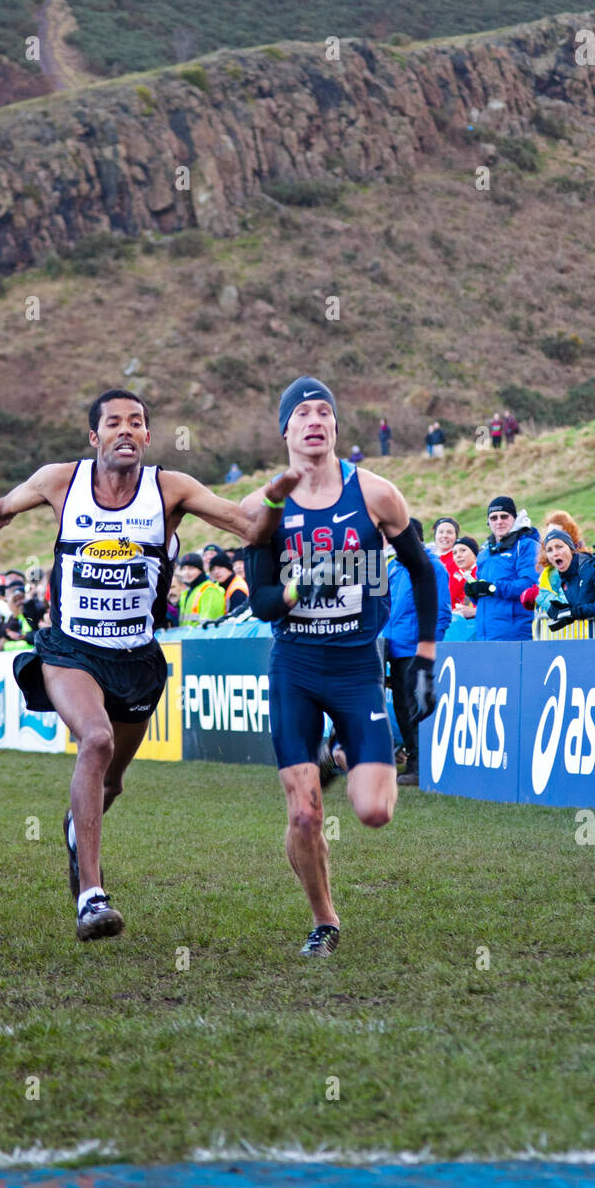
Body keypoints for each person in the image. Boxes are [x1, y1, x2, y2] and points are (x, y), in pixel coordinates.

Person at [0, 388, 296, 943]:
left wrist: (281, 493)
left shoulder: (172, 489)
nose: (125, 430)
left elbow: (250, 528)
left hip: (137, 658)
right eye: (113, 422)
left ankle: (78, 824)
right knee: (94, 741)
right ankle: (91, 897)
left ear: (146, 436)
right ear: (94, 437)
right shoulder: (59, 481)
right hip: (71, 649)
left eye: (136, 423)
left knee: (113, 778)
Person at [243, 376, 439, 959]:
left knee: (375, 811)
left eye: (324, 412)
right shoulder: (265, 507)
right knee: (304, 814)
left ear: (335, 427)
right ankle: (324, 921)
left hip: (357, 664)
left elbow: (425, 572)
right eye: (302, 413)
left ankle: (335, 755)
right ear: (286, 430)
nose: (315, 421)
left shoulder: (376, 494)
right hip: (296, 665)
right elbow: (260, 602)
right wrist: (304, 583)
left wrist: (424, 658)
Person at [382, 518, 452, 785]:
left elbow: (442, 613)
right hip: (393, 650)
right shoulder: (395, 568)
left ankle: (422, 766)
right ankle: (413, 762)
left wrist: (429, 650)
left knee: (416, 708)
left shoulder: (432, 567)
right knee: (402, 708)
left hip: (415, 649)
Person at [523, 527, 595, 634]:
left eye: (559, 547)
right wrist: (563, 611)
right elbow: (583, 605)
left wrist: (574, 612)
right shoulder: (564, 578)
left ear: (571, 549)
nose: (555, 553)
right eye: (549, 550)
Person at [464, 496, 539, 640]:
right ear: (488, 522)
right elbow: (484, 597)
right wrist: (474, 591)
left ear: (514, 518)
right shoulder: (484, 553)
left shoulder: (526, 545)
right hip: (486, 634)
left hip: (515, 634)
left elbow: (530, 586)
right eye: (493, 518)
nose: (499, 521)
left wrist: (492, 588)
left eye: (504, 516)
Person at [178, 552, 227, 625]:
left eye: (191, 568)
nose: (186, 573)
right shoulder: (187, 592)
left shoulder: (210, 590)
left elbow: (209, 624)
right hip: (186, 635)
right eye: (183, 569)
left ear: (200, 570)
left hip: (201, 636)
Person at [208, 549, 249, 614]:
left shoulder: (236, 589)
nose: (216, 572)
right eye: (213, 569)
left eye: (220, 567)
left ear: (229, 568)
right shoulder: (227, 586)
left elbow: (239, 618)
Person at [450, 536, 478, 616]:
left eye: (463, 550)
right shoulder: (467, 575)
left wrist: (474, 611)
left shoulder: (481, 573)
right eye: (454, 553)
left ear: (474, 553)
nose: (458, 555)